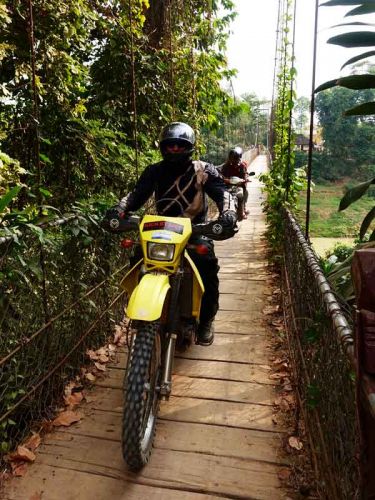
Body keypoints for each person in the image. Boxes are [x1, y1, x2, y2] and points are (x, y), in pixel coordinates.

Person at [105, 122, 237, 346]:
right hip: (161, 231)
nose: (174, 149)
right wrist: (118, 210)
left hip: (195, 230)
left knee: (205, 262)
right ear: (163, 147)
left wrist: (229, 214)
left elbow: (223, 194)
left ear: (190, 147)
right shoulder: (154, 171)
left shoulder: (203, 170)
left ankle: (205, 319)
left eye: (179, 145)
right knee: (139, 257)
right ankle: (142, 308)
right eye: (170, 145)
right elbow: (135, 196)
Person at [219, 147, 249, 220]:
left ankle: (242, 210)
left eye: (236, 158)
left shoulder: (242, 166)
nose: (234, 160)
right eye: (232, 158)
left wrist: (244, 180)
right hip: (227, 185)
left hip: (238, 185)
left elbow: (244, 175)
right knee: (221, 196)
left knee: (241, 194)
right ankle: (221, 213)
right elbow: (221, 175)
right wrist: (224, 179)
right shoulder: (225, 166)